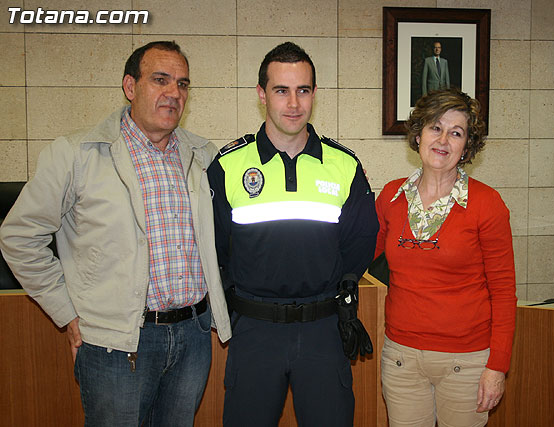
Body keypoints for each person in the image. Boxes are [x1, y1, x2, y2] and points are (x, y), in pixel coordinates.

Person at [0, 41, 231, 426]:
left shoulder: (202, 155)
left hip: (192, 337)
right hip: (117, 344)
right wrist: (65, 311)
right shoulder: (77, 154)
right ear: (130, 86)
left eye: (182, 84)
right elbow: (19, 236)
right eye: (160, 80)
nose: (174, 93)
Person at [208, 41, 378, 426]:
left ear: (315, 93)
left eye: (303, 90)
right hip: (254, 330)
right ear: (261, 94)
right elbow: (214, 247)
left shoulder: (343, 165)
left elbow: (359, 243)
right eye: (281, 90)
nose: (294, 103)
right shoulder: (228, 165)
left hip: (323, 330)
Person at [375, 88, 517, 427]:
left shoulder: (487, 204)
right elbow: (360, 255)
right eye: (435, 128)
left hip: (467, 364)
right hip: (401, 359)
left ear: (467, 146)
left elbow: (503, 292)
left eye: (456, 133)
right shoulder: (391, 197)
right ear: (418, 134)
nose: (443, 140)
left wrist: (497, 367)